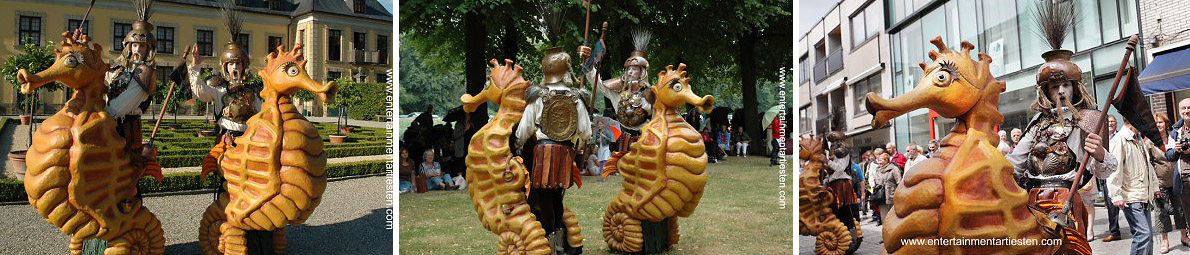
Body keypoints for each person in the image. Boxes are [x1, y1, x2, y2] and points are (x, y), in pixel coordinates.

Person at [1006, 33, 1117, 240]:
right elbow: (1015, 162)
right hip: (1032, 203)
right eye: (1055, 87)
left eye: (1066, 85)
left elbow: (1103, 172)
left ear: (1075, 88)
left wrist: (1100, 153)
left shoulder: (1090, 118)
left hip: (1066, 200)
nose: (1061, 91)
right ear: (1046, 91)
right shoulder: (1038, 121)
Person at [515, 42, 592, 254]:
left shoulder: (537, 95)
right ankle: (558, 240)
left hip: (543, 152)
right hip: (565, 152)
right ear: (566, 70)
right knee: (557, 196)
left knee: (544, 198)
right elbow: (586, 132)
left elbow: (524, 128)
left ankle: (551, 245)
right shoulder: (577, 96)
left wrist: (518, 145)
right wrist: (573, 136)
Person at [589, 28, 653, 154]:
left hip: (646, 140)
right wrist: (590, 64)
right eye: (628, 69)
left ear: (642, 72)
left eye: (634, 69)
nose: (629, 72)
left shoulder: (651, 95)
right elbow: (598, 84)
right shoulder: (618, 95)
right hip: (625, 140)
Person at [1107, 119, 1160, 255]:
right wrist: (1116, 195)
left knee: (1147, 238)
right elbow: (1114, 169)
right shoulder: (1120, 140)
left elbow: (1148, 166)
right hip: (1131, 196)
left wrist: (1154, 187)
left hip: (1143, 195)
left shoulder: (1138, 139)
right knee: (1143, 235)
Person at [1151, 112, 1186, 254]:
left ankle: (1184, 236)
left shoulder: (1173, 137)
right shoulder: (1150, 141)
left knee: (1180, 210)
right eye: (1156, 123)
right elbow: (1149, 164)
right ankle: (1164, 241)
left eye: (1160, 122)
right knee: (1161, 214)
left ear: (1165, 123)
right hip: (1160, 183)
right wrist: (1153, 186)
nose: (1158, 125)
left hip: (1176, 180)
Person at [824, 132, 859, 231]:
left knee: (844, 207)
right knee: (835, 209)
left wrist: (827, 162)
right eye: (831, 142)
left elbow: (840, 168)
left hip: (842, 184)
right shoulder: (833, 154)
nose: (832, 144)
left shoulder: (843, 152)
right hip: (834, 183)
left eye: (834, 141)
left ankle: (849, 229)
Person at [1167, 99, 1190, 249]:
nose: (1186, 111)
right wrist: (1176, 150)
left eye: (1189, 108)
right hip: (1184, 181)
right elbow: (1168, 155)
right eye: (1183, 108)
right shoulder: (1176, 130)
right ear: (1179, 110)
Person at [1101, 114, 1125, 241]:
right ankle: (1115, 232)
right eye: (1108, 122)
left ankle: (1135, 227)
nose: (1110, 123)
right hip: (1107, 174)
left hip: (1121, 173)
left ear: (1116, 123)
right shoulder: (1102, 138)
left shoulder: (1120, 137)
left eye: (1112, 121)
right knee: (1111, 205)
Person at [870, 152, 902, 227]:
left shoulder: (894, 169)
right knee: (884, 218)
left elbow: (899, 183)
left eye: (881, 160)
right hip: (881, 197)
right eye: (879, 160)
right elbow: (876, 182)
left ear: (887, 160)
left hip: (892, 196)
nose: (879, 162)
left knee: (894, 218)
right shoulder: (878, 170)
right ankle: (887, 236)